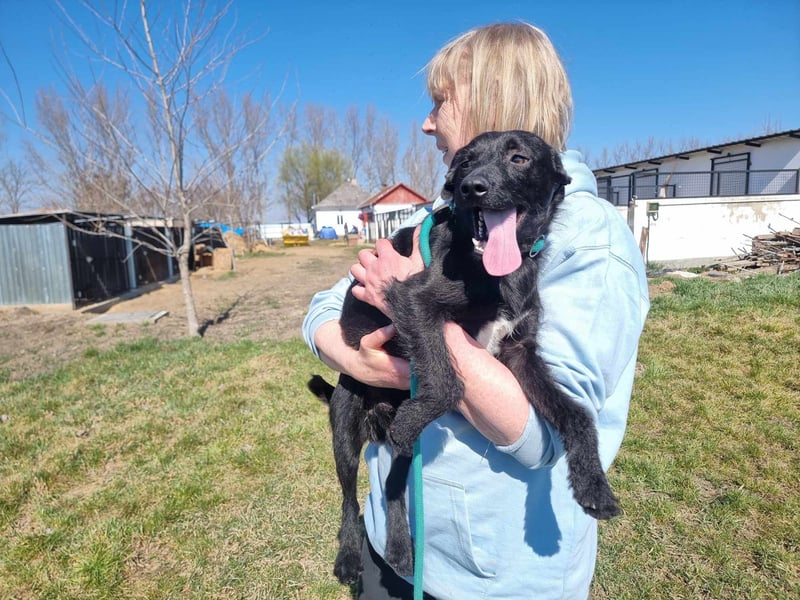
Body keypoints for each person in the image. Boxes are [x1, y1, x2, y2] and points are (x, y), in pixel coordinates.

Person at [302, 22, 649, 600]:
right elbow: (321, 307)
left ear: (495, 97)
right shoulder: (445, 218)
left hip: (490, 575)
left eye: (440, 102)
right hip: (397, 539)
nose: (426, 122)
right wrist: (362, 364)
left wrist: (418, 326)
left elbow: (540, 439)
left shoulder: (592, 242)